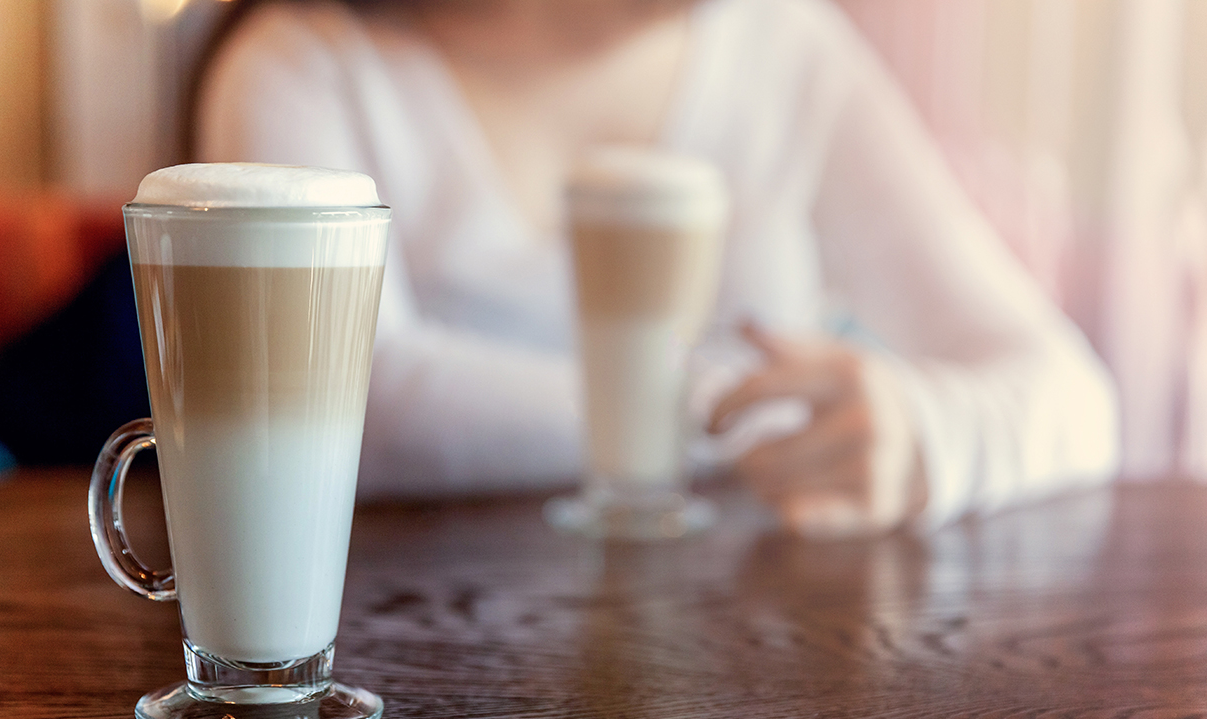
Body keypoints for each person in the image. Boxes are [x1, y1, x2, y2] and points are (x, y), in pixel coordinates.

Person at [191, 0, 1119, 538]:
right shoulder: (303, 64)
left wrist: (927, 432)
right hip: (412, 696)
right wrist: (744, 404)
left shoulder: (791, 50)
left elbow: (1071, 390)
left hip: (748, 680)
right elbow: (357, 406)